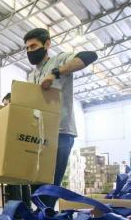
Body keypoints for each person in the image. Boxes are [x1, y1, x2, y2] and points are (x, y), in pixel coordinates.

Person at [24, 28, 98, 208]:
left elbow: (89, 56)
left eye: (33, 46)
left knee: (51, 180)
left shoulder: (60, 60)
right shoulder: (31, 75)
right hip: (39, 134)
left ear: (47, 44)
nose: (29, 51)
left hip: (61, 131)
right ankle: (42, 214)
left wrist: (56, 73)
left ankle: (47, 215)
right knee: (36, 180)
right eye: (26, 48)